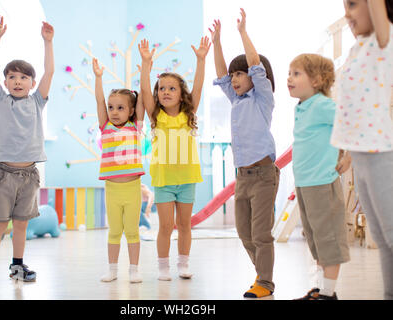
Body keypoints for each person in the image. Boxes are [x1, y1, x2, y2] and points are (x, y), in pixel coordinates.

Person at [0, 15, 54, 286]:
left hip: (29, 176)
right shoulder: (0, 100)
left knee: (21, 224)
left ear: (32, 83)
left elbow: (49, 72)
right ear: (6, 82)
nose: (18, 81)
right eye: (12, 77)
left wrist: (48, 43)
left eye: (24, 77)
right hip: (4, 174)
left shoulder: (37, 102)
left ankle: (17, 266)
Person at [210, 9, 279, 298]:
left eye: (241, 74)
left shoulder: (263, 98)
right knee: (244, 233)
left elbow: (255, 64)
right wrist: (217, 42)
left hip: (263, 176)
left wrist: (242, 33)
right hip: (242, 178)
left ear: (254, 76)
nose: (235, 79)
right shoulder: (235, 100)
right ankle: (261, 275)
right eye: (233, 74)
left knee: (261, 234)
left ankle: (265, 282)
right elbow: (220, 73)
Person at [331, 0, 393, 300]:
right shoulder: (355, 51)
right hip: (360, 156)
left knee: (391, 235)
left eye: (354, 4)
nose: (347, 12)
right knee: (381, 238)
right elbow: (349, 108)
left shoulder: (383, 44)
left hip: (380, 155)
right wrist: (345, 153)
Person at [138, 36, 210, 281]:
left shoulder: (189, 113)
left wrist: (201, 60)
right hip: (164, 180)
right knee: (166, 227)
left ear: (181, 95)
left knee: (185, 225)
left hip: (187, 178)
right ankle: (163, 266)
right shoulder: (155, 116)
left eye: (171, 88)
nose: (165, 92)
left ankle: (183, 264)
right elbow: (145, 90)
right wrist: (146, 64)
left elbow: (199, 87)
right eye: (162, 89)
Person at [288, 53, 351, 300]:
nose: (289, 78)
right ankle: (322, 289)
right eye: (290, 73)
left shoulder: (324, 105)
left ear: (317, 80)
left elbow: (349, 124)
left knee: (328, 240)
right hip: (305, 183)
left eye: (296, 73)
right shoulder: (302, 107)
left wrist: (348, 157)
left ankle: (328, 293)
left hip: (323, 183)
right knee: (315, 240)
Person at [93, 58, 145, 283]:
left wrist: (145, 74)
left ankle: (134, 270)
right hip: (112, 188)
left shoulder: (136, 126)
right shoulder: (106, 127)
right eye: (112, 108)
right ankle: (112, 269)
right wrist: (98, 78)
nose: (114, 112)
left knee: (132, 231)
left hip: (132, 187)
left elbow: (143, 101)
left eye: (120, 107)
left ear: (131, 110)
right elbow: (99, 100)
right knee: (114, 231)